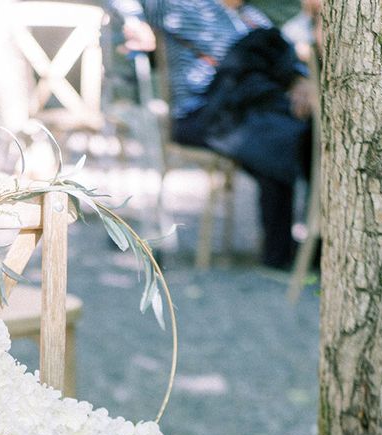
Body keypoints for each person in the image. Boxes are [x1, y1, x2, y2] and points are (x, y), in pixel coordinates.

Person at [108, 0, 312, 269]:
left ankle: (300, 246)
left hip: (250, 112)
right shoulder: (179, 6)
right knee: (277, 142)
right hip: (199, 114)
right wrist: (134, 20)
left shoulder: (254, 17)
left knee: (296, 137)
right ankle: (281, 253)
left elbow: (281, 60)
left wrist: (299, 80)